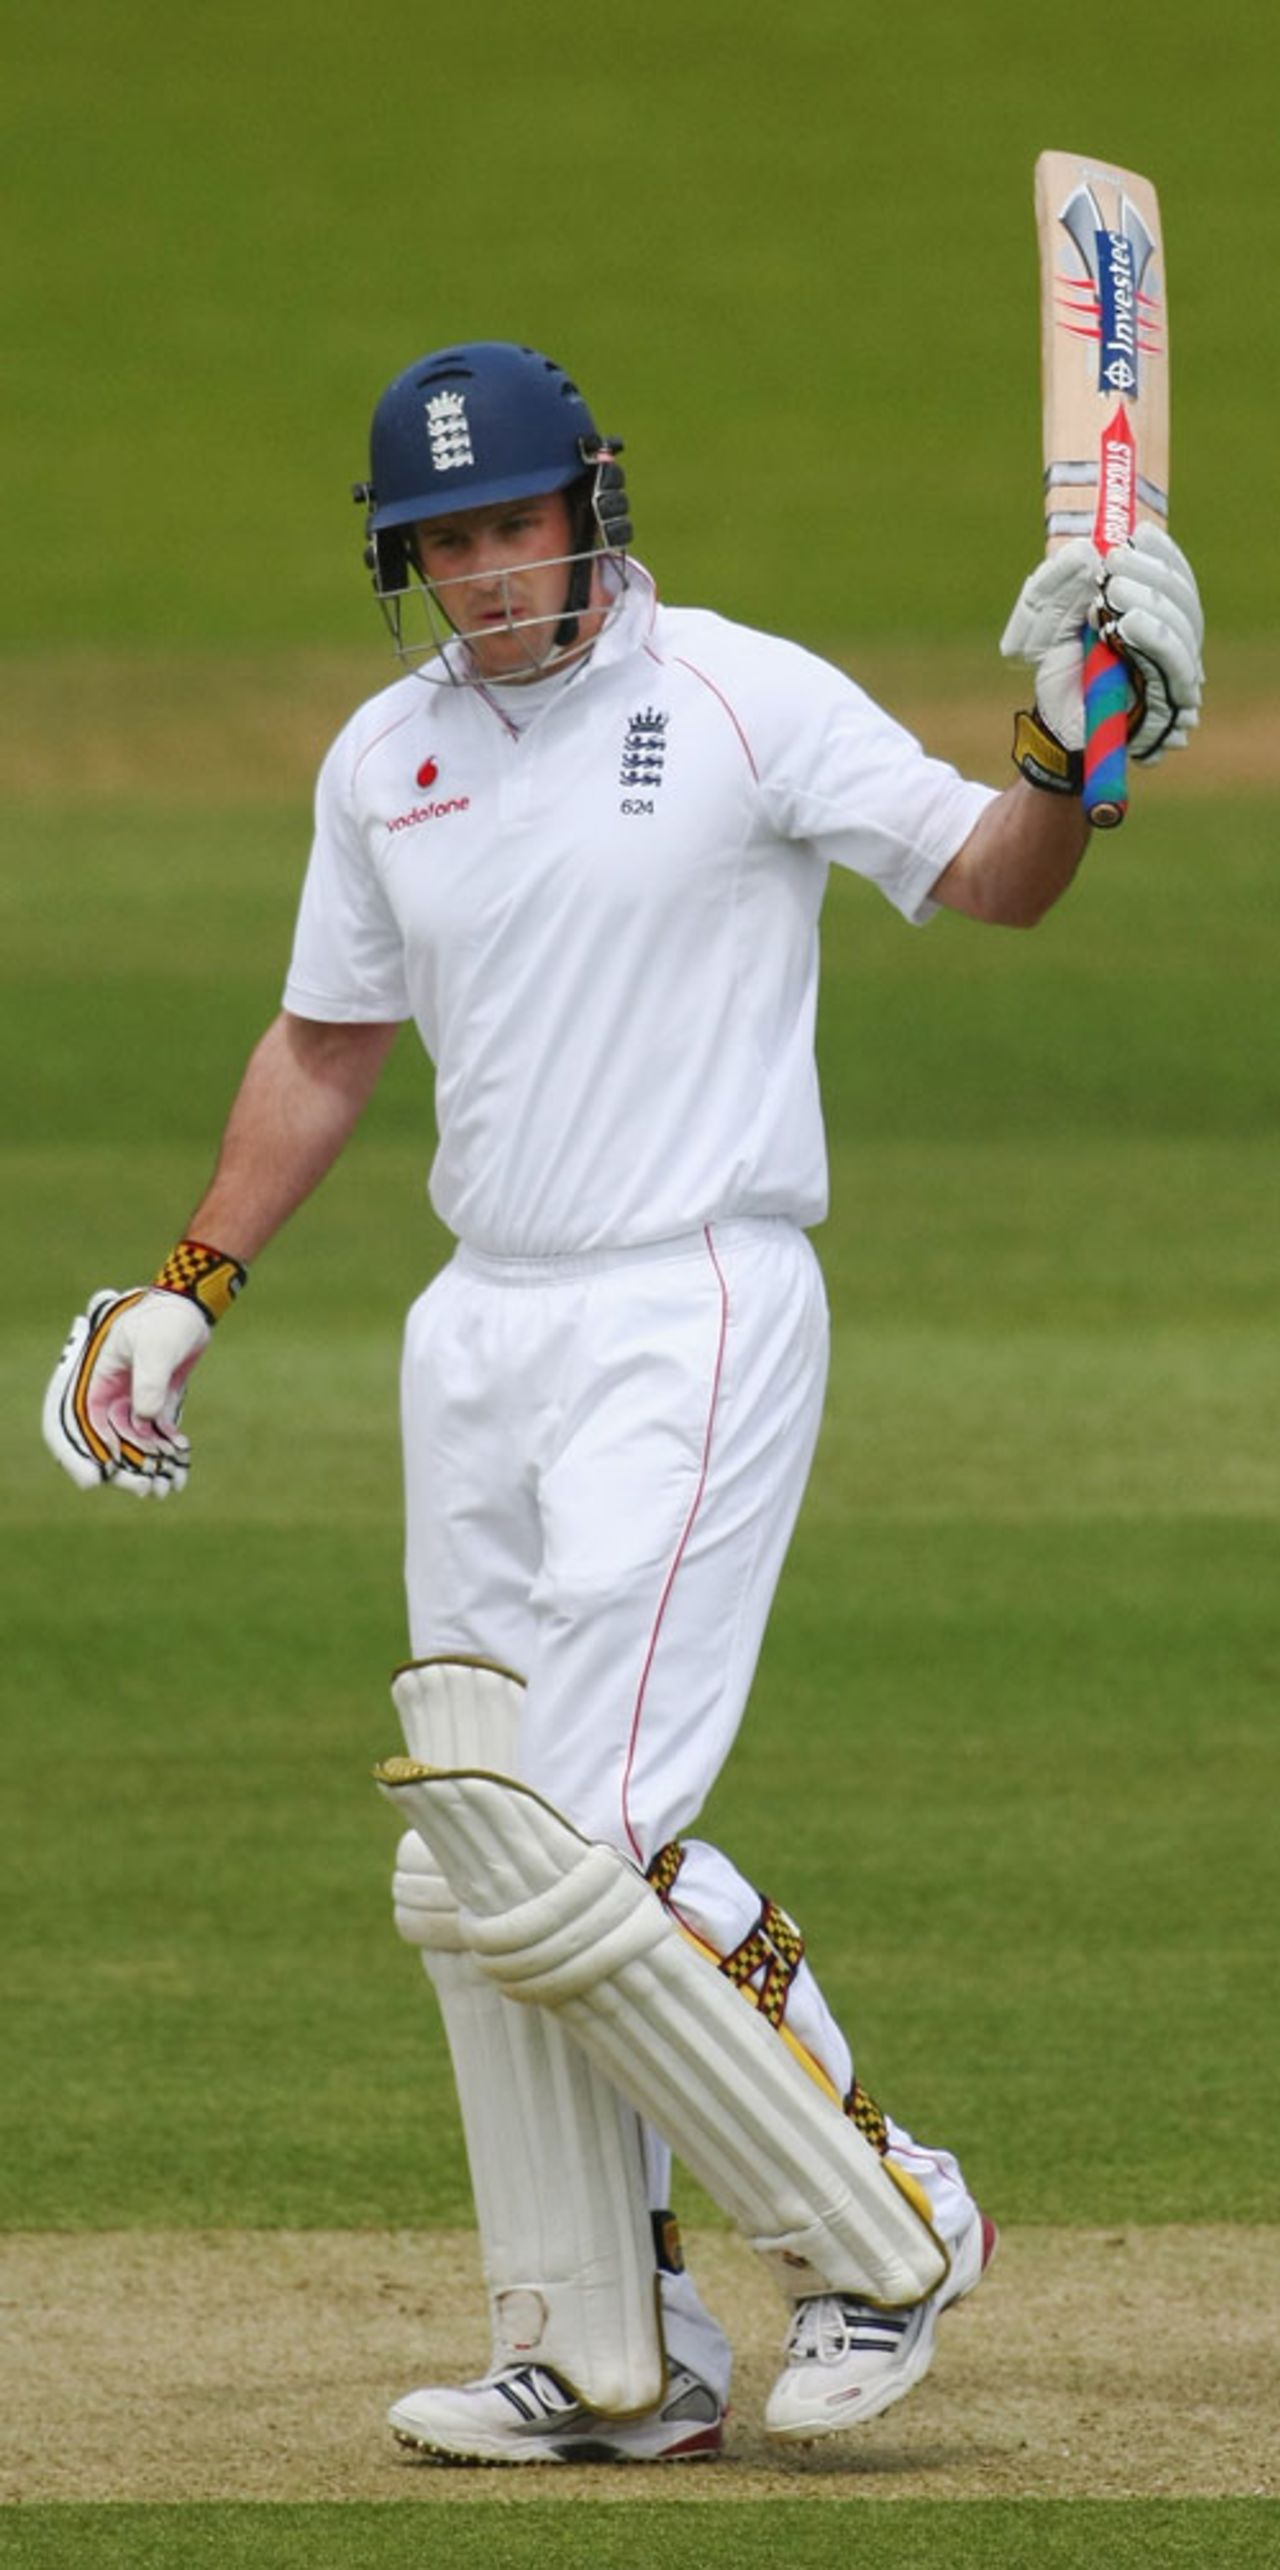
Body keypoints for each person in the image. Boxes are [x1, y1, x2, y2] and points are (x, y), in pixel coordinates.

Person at [43, 339, 1204, 2467]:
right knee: (480, 1860)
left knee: (589, 1845)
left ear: (591, 504)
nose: (489, 576)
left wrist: (1078, 746)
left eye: (514, 526)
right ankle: (607, 2347)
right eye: (446, 545)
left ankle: (882, 2218)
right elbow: (324, 1042)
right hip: (478, 1327)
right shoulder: (383, 758)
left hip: (695, 1299)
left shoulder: (747, 695)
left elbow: (994, 876)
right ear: (408, 564)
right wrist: (189, 1286)